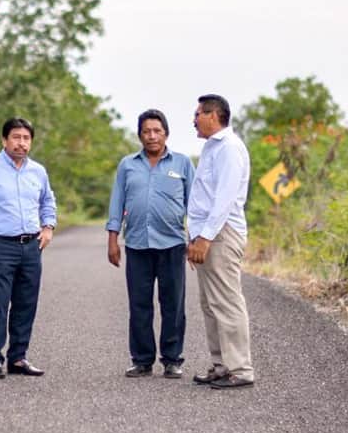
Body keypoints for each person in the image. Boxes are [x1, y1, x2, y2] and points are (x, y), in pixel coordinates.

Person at [0, 118, 57, 379]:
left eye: (26, 138)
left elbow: (48, 200)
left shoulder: (38, 171)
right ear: (4, 140)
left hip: (31, 246)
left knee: (26, 303)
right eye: (16, 137)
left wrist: (48, 227)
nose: (21, 143)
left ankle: (18, 358)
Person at [106, 109, 195, 378]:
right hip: (137, 244)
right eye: (146, 131)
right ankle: (142, 360)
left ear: (166, 134)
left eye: (157, 131)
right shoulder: (128, 165)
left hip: (172, 244)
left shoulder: (182, 163)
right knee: (139, 304)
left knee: (173, 305)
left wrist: (195, 240)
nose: (152, 136)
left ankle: (172, 359)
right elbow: (117, 202)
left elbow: (195, 204)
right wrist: (113, 239)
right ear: (140, 135)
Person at [187, 94, 255, 389]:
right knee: (210, 302)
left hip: (221, 234)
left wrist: (204, 238)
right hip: (207, 233)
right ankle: (221, 365)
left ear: (213, 115)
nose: (194, 120)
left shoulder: (229, 148)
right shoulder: (212, 148)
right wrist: (195, 237)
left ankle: (240, 369)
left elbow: (224, 199)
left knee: (226, 300)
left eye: (197, 114)